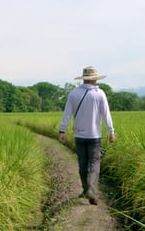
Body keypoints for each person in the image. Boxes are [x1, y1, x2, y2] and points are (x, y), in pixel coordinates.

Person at [58, 66, 116, 205]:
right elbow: (105, 114)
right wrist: (111, 131)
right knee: (95, 163)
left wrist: (62, 131)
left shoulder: (74, 93)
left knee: (83, 164)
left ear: (84, 78)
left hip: (79, 135)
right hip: (95, 136)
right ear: (95, 78)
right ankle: (92, 191)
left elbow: (67, 114)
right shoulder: (100, 94)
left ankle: (85, 189)